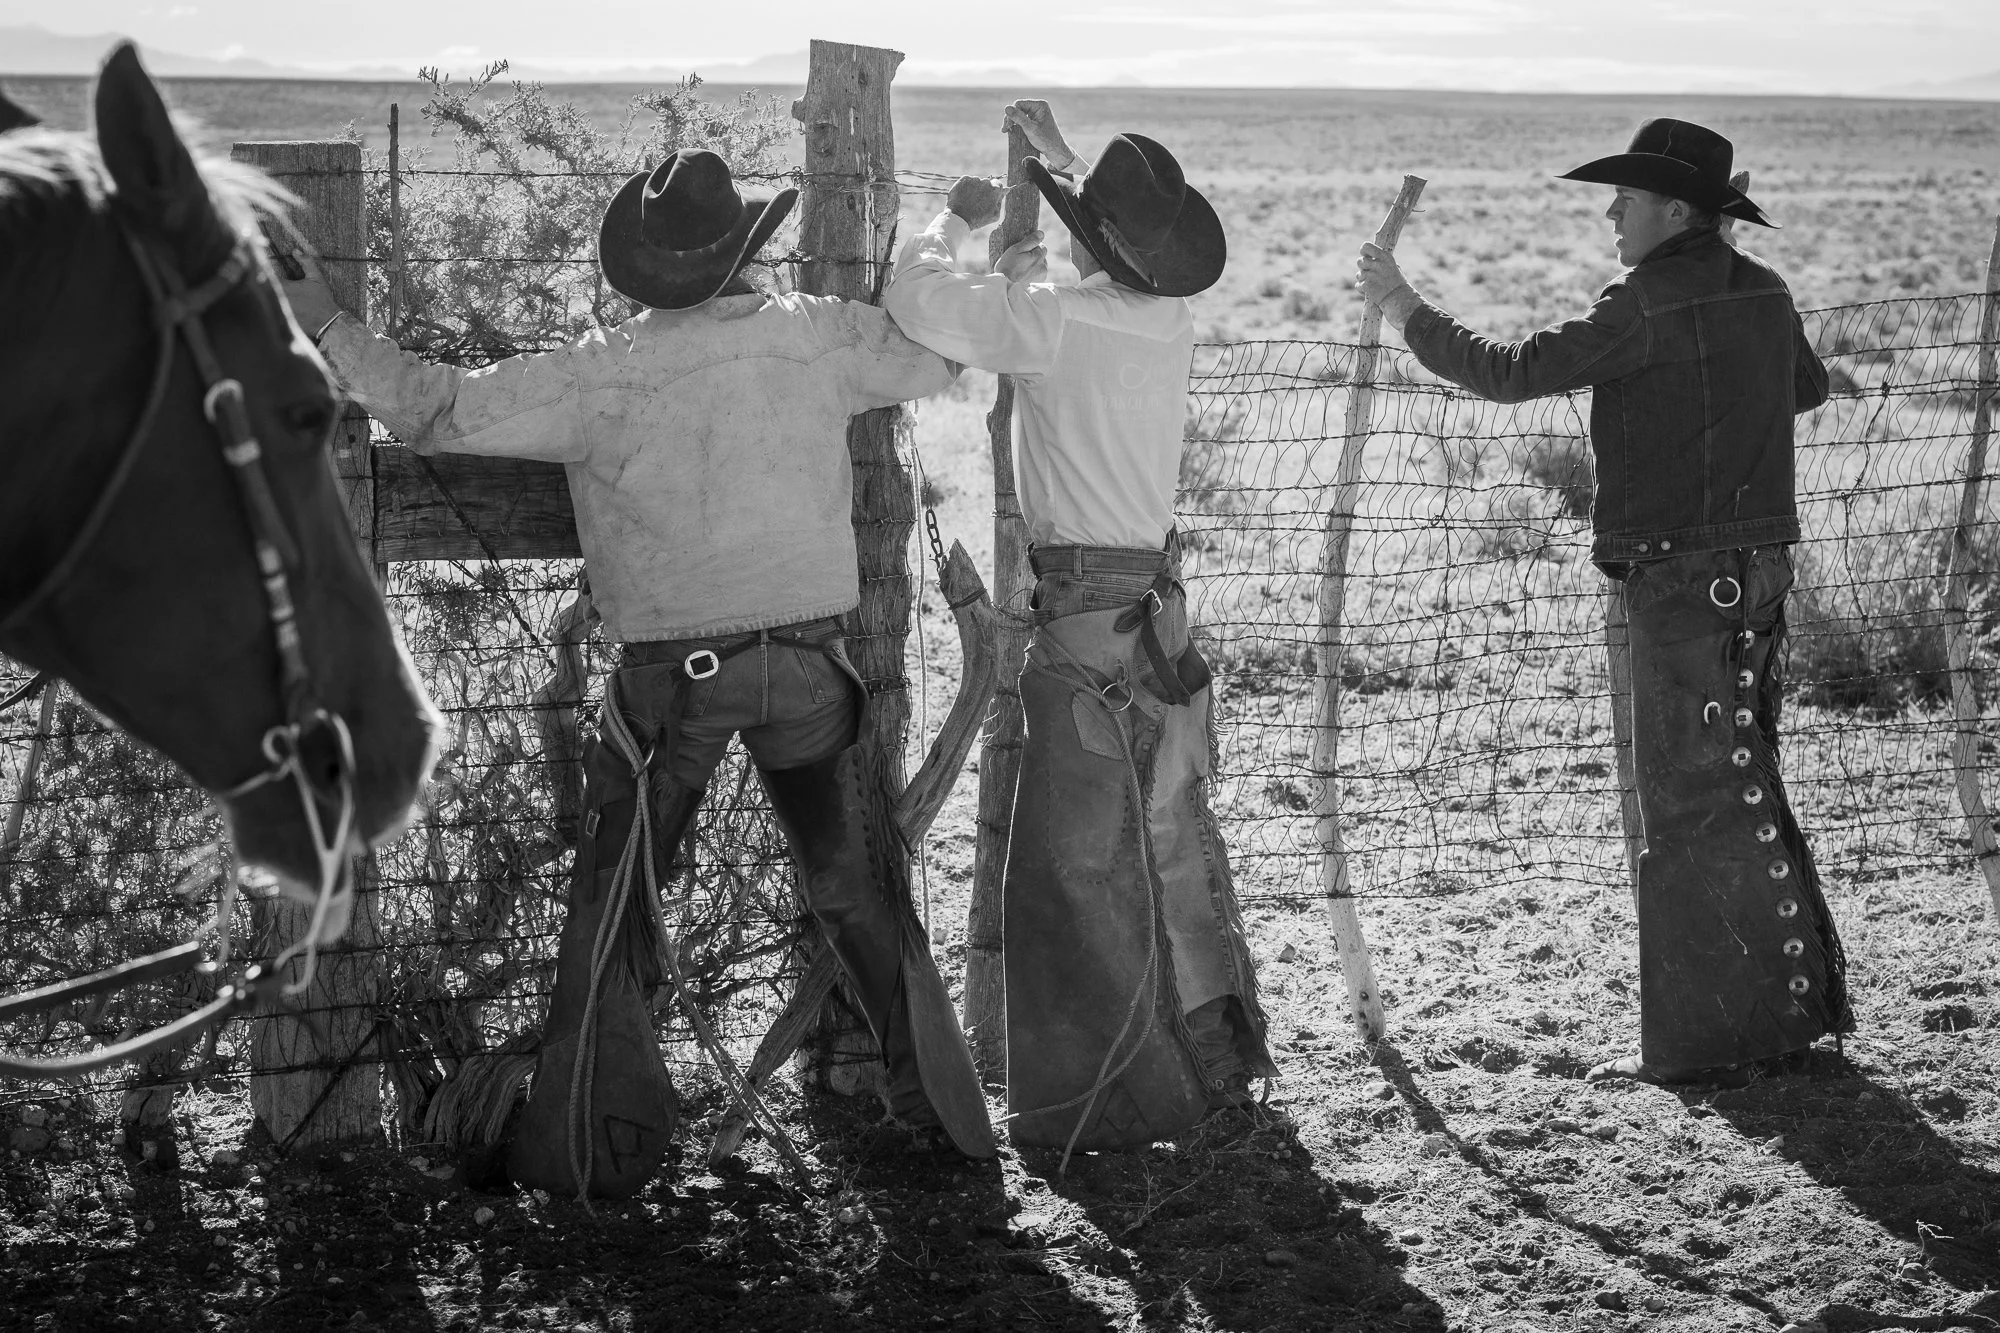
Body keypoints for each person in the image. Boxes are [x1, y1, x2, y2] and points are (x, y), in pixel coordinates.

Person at [281, 150, 994, 1193]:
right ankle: (949, 1123)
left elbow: (434, 409)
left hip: (674, 685)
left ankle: (588, 1146)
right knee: (856, 889)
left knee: (616, 905)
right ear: (747, 251)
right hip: (808, 668)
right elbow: (935, 359)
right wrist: (951, 238)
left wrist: (328, 321)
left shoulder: (601, 368)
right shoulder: (814, 335)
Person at [1355, 118, 1848, 1085]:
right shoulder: (1766, 289)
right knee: (1743, 769)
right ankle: (1780, 1013)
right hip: (1762, 563)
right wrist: (1714, 416)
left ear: (1676, 211)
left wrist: (1403, 304)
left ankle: (1718, 1038)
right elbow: (1807, 387)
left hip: (1676, 575)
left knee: (1685, 796)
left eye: (1625, 199)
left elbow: (1509, 374)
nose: (1611, 213)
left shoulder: (1642, 303)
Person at [883, 100, 1275, 1153]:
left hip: (1086, 612)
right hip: (1148, 602)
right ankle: (1208, 1056)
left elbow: (919, 302)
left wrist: (954, 226)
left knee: (1070, 857)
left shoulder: (1052, 313)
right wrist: (1060, 171)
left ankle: (1109, 1096)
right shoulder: (1161, 318)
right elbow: (1079, 263)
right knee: (1160, 831)